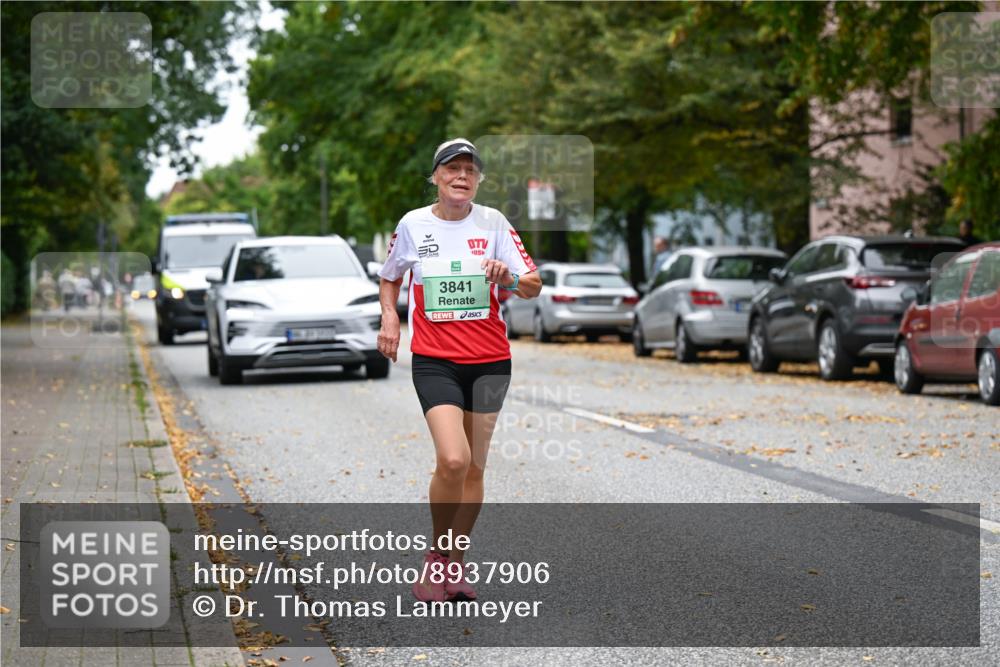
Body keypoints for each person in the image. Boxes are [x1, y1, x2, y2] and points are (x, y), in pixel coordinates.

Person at [376, 138, 542, 603]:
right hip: (436, 361)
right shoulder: (413, 225)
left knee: (474, 468)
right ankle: (435, 556)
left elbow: (532, 284)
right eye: (452, 168)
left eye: (470, 169)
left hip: (490, 361)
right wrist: (391, 317)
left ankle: (453, 566)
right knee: (453, 458)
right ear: (435, 177)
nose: (461, 176)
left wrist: (507, 276)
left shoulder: (493, 224)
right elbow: (390, 276)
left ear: (478, 179)